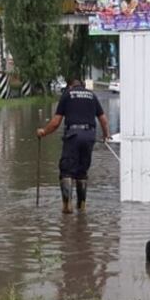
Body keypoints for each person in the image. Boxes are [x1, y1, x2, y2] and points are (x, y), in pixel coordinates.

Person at [37, 78, 112, 214]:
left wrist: (44, 132)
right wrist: (106, 135)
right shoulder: (92, 95)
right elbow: (103, 120)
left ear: (70, 86)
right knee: (82, 172)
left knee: (66, 170)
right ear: (82, 86)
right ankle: (81, 207)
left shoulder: (67, 95)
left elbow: (55, 122)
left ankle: (67, 206)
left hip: (73, 136)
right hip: (90, 136)